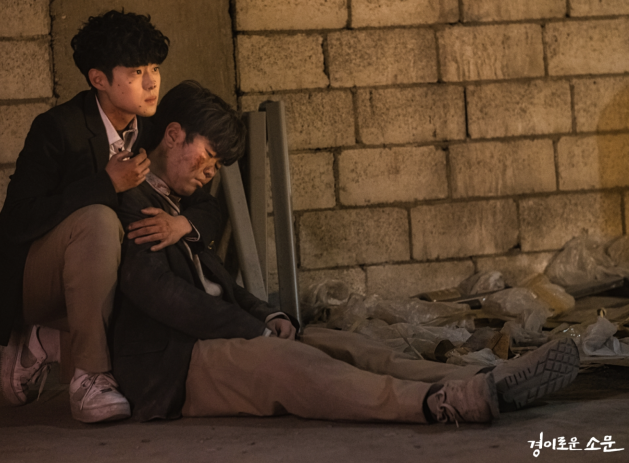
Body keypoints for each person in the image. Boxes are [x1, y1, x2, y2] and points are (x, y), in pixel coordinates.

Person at [111, 80, 581, 425]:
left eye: (217, 164)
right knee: (294, 365)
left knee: (347, 345)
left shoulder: (186, 207)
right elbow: (161, 293)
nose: (210, 172)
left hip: (220, 335)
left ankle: (490, 379)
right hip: (176, 363)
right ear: (173, 134)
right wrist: (254, 329)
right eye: (208, 157)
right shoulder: (135, 202)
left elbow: (218, 275)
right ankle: (439, 403)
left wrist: (269, 315)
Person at [0, 10, 223, 423]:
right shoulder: (58, 129)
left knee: (140, 245)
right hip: (35, 278)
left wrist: (181, 224)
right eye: (136, 71)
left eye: (155, 68)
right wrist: (106, 184)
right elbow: (18, 219)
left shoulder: (154, 130)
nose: (152, 82)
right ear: (98, 79)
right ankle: (90, 379)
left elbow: (206, 204)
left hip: (101, 278)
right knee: (100, 220)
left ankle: (46, 341)